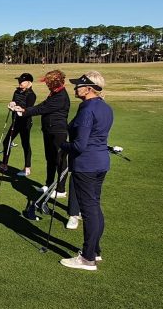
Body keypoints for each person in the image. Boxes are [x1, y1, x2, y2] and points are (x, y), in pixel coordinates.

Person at [59, 71, 113, 271]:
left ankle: (87, 258)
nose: (75, 88)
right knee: (94, 207)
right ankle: (95, 251)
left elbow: (79, 145)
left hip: (86, 165)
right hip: (100, 163)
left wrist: (63, 145)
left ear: (89, 89)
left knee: (89, 211)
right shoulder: (105, 108)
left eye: (78, 86)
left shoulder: (87, 109)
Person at [13, 70, 70, 199]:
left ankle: (61, 190)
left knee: (60, 160)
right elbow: (43, 105)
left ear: (54, 82)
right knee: (50, 159)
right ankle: (49, 184)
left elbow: (42, 109)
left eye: (48, 82)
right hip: (49, 130)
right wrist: (24, 109)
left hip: (58, 132)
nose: (47, 85)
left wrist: (25, 111)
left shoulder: (61, 96)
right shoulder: (54, 94)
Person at [0, 73, 37, 175]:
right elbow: (14, 101)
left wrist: (19, 109)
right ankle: (4, 164)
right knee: (7, 142)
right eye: (19, 81)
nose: (20, 83)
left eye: (22, 81)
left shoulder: (32, 95)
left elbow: (28, 109)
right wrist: (12, 104)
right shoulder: (17, 92)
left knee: (25, 144)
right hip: (15, 121)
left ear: (29, 82)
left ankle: (27, 168)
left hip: (25, 123)